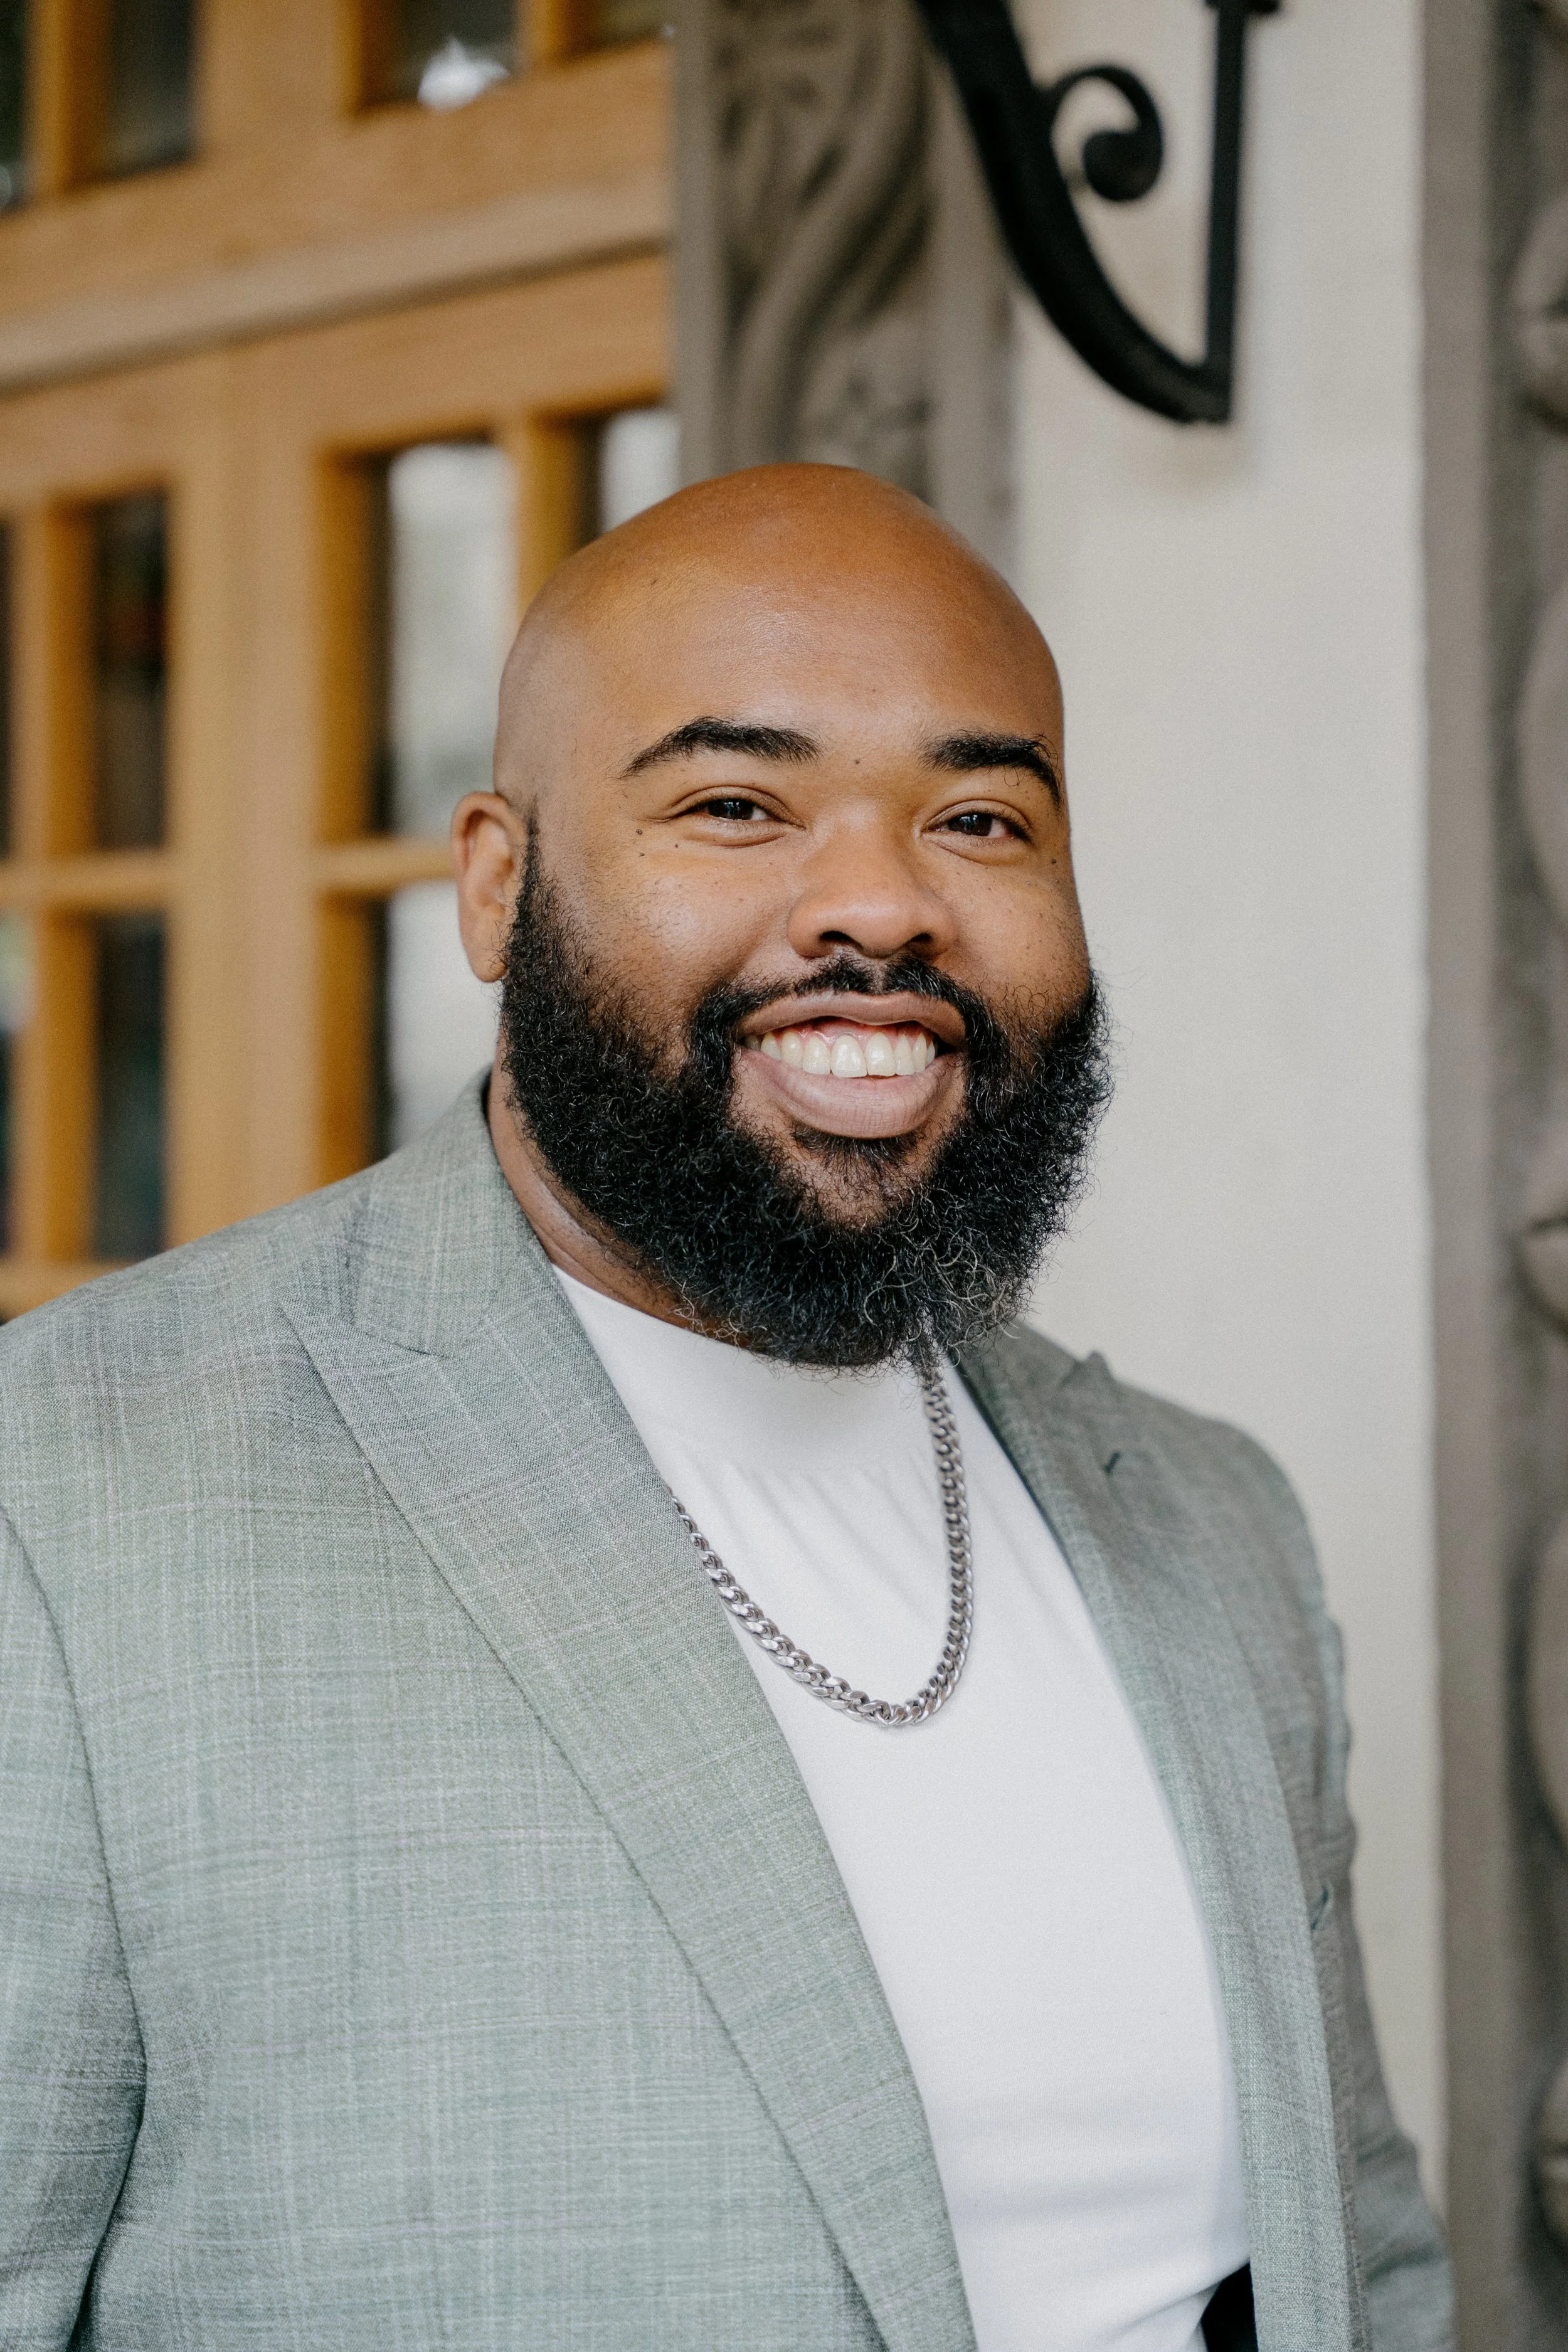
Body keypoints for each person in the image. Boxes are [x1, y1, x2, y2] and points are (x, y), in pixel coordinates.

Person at [0, 465, 1449, 2352]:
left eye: (980, 816)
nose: (879, 903)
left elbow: (1364, 2256)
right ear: (500, 886)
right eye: (736, 803)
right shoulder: (68, 1500)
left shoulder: (1204, 1515)